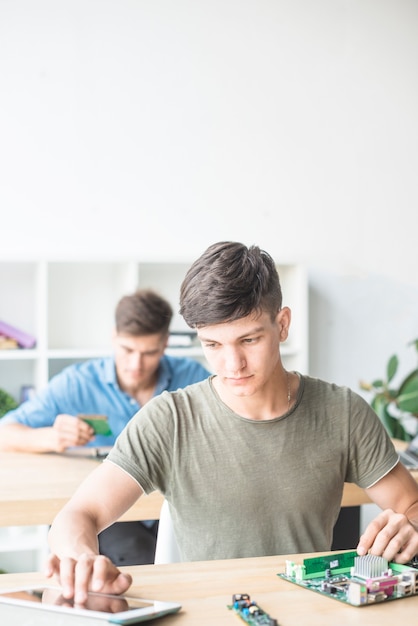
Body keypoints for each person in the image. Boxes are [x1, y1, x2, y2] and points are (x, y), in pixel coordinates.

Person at [46, 241, 418, 603]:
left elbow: (411, 505)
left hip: (308, 612)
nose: (232, 364)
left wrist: (411, 528)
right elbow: (79, 514)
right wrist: (80, 557)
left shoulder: (343, 413)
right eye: (213, 345)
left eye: (249, 339)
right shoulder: (169, 419)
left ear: (282, 324)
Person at [0, 288, 210, 565]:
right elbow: (5, 431)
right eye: (128, 349)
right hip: (106, 510)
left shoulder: (192, 377)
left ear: (165, 343)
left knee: (198, 556)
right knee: (141, 561)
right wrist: (51, 437)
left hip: (172, 505)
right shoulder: (78, 383)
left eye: (149, 352)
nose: (136, 364)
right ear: (114, 337)